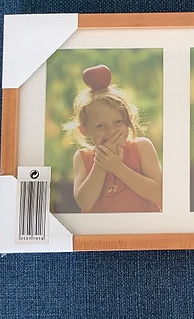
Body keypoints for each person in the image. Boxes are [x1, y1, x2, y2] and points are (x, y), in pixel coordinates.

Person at [66, 65, 162, 213]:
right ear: (84, 130)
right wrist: (101, 164)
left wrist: (118, 168)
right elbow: (85, 203)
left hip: (143, 226)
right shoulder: (82, 157)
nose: (111, 131)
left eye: (118, 122)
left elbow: (158, 194)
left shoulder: (142, 147)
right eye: (100, 126)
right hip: (103, 228)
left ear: (129, 120)